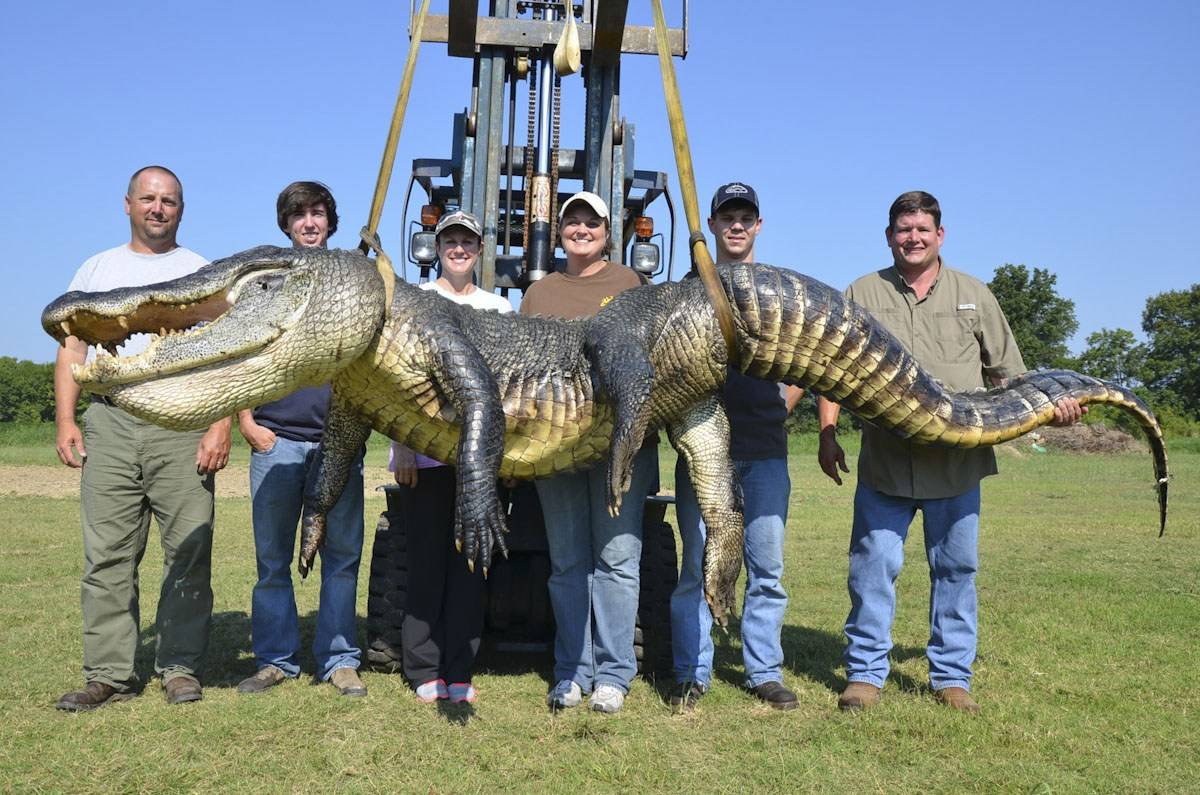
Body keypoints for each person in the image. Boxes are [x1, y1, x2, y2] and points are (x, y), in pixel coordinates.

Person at [816, 191, 1083, 713]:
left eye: (922, 229)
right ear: (889, 236)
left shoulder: (974, 294)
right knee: (872, 569)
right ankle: (866, 674)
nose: (912, 238)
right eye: (902, 229)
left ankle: (951, 678)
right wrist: (827, 433)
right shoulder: (861, 292)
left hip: (959, 465)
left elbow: (1010, 375)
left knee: (956, 571)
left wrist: (1055, 406)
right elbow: (831, 371)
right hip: (885, 462)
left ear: (940, 235)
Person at [53, 166, 232, 711]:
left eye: (170, 201)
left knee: (188, 550)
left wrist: (220, 422)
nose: (159, 208)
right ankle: (108, 673)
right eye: (149, 199)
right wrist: (66, 419)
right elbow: (72, 349)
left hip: (182, 420)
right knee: (107, 553)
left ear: (182, 209)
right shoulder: (98, 268)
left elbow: (229, 352)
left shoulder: (201, 271)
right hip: (110, 421)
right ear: (127, 204)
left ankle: (179, 668)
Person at [669, 183, 805, 713]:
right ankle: (691, 672)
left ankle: (763, 672)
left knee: (765, 569)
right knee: (697, 564)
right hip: (704, 455)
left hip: (765, 450)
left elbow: (806, 362)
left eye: (746, 216)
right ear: (714, 224)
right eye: (728, 217)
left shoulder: (777, 291)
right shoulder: (691, 287)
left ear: (758, 225)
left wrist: (780, 404)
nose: (737, 225)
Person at [520, 191, 656, 714]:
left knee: (618, 560)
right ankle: (572, 673)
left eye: (591, 222)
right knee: (568, 563)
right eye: (572, 222)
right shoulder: (539, 292)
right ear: (558, 233)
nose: (581, 229)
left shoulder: (632, 285)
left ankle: (615, 676)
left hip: (621, 449)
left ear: (607, 231)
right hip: (557, 448)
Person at [235, 181, 369, 698]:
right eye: (299, 215)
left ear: (330, 222)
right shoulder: (267, 281)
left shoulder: (351, 279)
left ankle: (339, 659)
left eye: (317, 214)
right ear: (286, 225)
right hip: (277, 442)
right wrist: (247, 422)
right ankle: (275, 660)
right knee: (271, 561)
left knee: (341, 556)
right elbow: (242, 355)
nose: (309, 222)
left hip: (339, 443)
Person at [388, 210, 513, 705]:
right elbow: (402, 382)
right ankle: (423, 667)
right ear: (436, 248)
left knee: (470, 567)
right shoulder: (419, 302)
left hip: (479, 465)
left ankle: (460, 669)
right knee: (426, 564)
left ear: (481, 250)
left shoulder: (499, 308)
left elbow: (507, 388)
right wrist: (401, 449)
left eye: (468, 241)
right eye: (450, 241)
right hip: (428, 457)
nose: (458, 249)